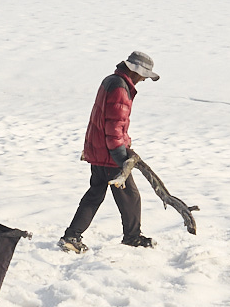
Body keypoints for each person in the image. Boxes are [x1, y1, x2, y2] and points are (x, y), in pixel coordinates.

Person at [60, 51, 159, 253]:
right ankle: (132, 237)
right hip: (109, 154)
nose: (143, 80)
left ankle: (71, 236)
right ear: (134, 71)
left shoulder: (111, 80)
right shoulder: (120, 88)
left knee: (95, 194)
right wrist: (121, 157)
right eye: (143, 75)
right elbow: (114, 126)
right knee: (130, 197)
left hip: (99, 150)